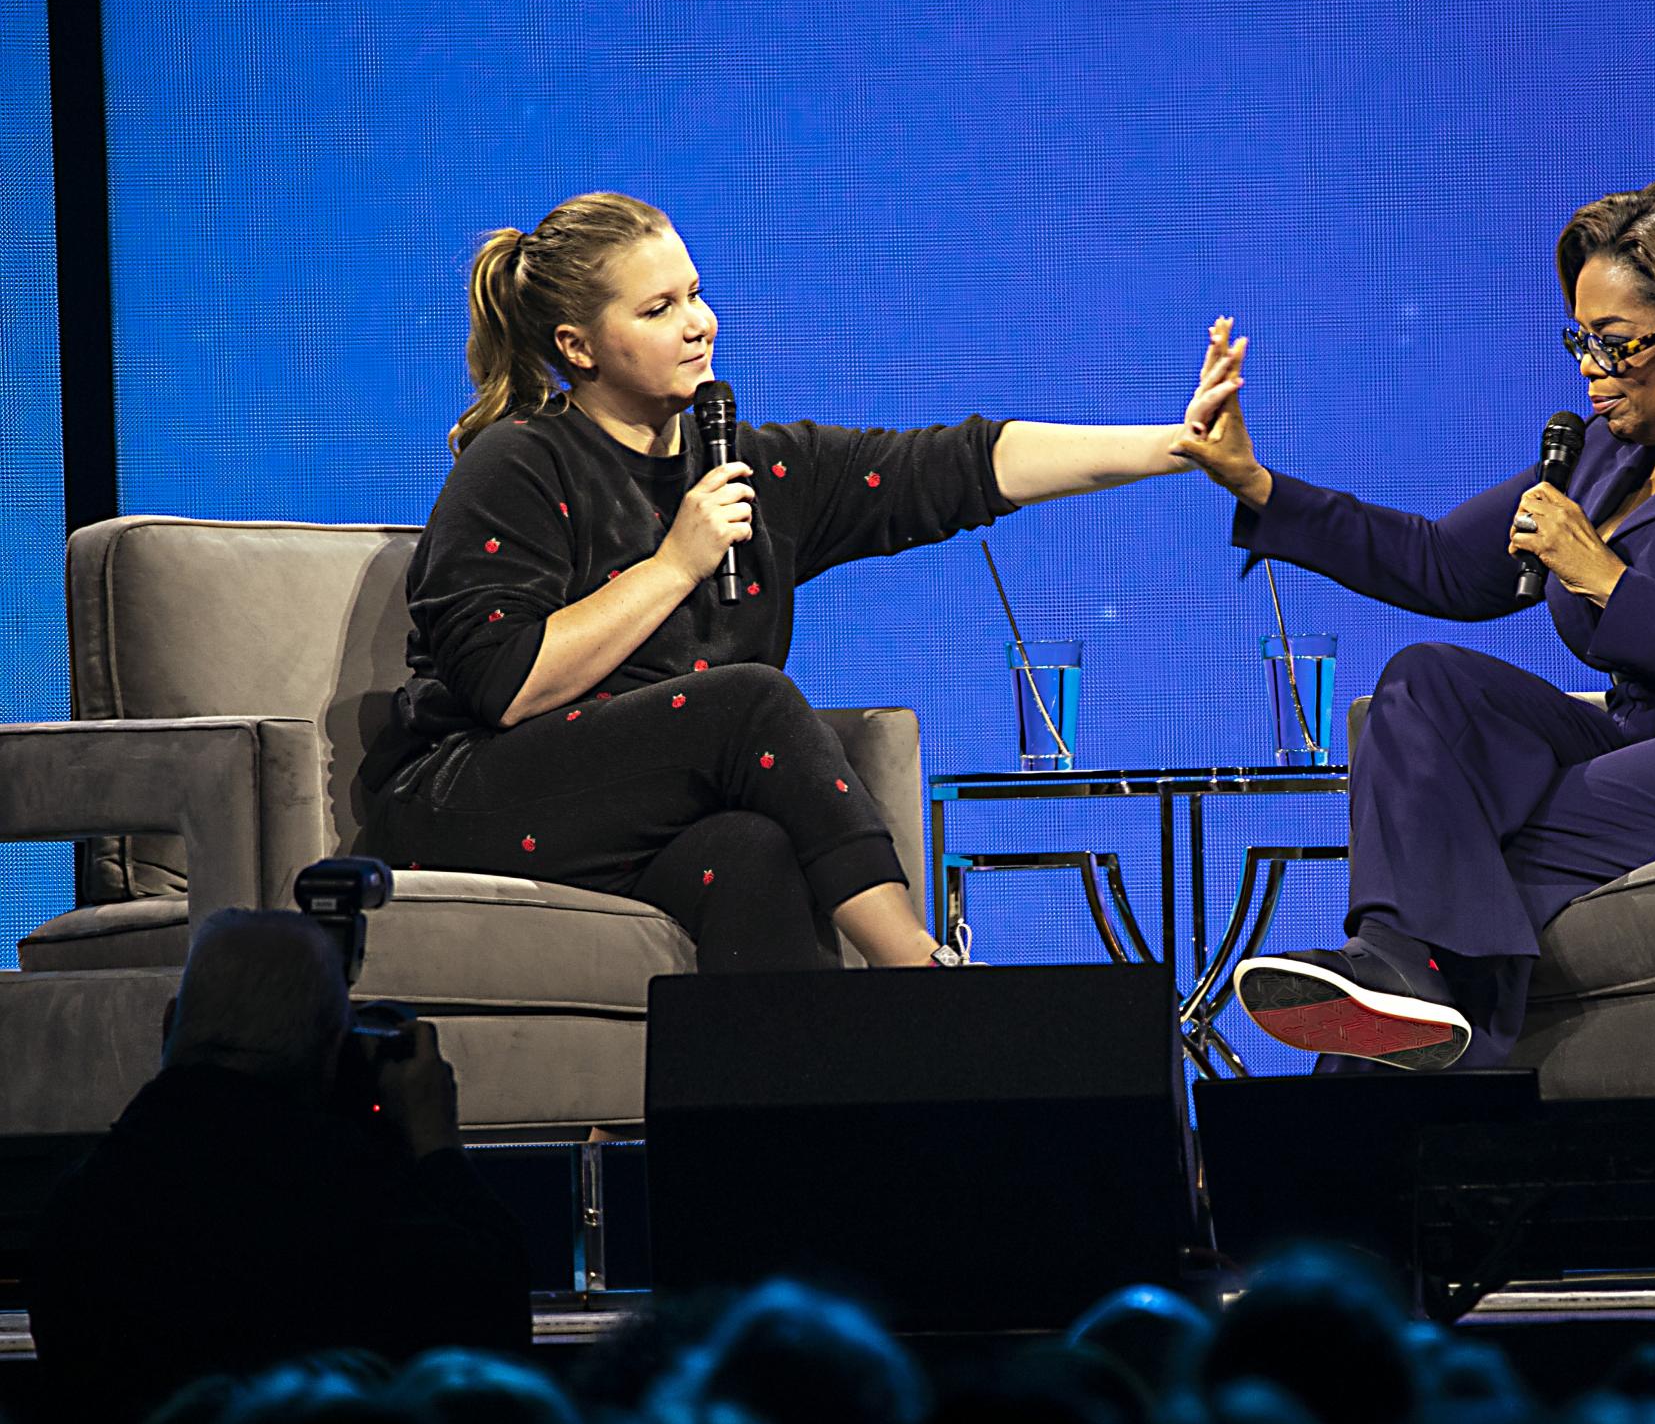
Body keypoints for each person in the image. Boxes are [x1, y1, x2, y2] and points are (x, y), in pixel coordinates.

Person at [363, 192, 1245, 970]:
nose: (699, 322)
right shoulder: (518, 462)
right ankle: (923, 975)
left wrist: (1173, 445)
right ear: (578, 346)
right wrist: (677, 563)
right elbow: (507, 684)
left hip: (633, 817)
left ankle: (785, 1143)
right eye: (661, 307)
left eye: (698, 293)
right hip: (470, 798)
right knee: (747, 701)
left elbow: (958, 466)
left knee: (755, 853)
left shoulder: (748, 469)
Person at [1175, 178, 1655, 1070]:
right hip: (1636, 743)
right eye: (1581, 340)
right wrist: (1260, 487)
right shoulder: (1610, 454)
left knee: (1490, 844)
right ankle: (1399, 969)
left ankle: (1394, 1084)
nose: (1590, 369)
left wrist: (1608, 580)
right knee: (1424, 683)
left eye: (1617, 343)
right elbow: (1444, 561)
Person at [28, 909, 530, 1424]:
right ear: (333, 1055)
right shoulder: (357, 1213)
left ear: (171, 1025)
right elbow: (496, 1334)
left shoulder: (77, 1208)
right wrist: (434, 1140)